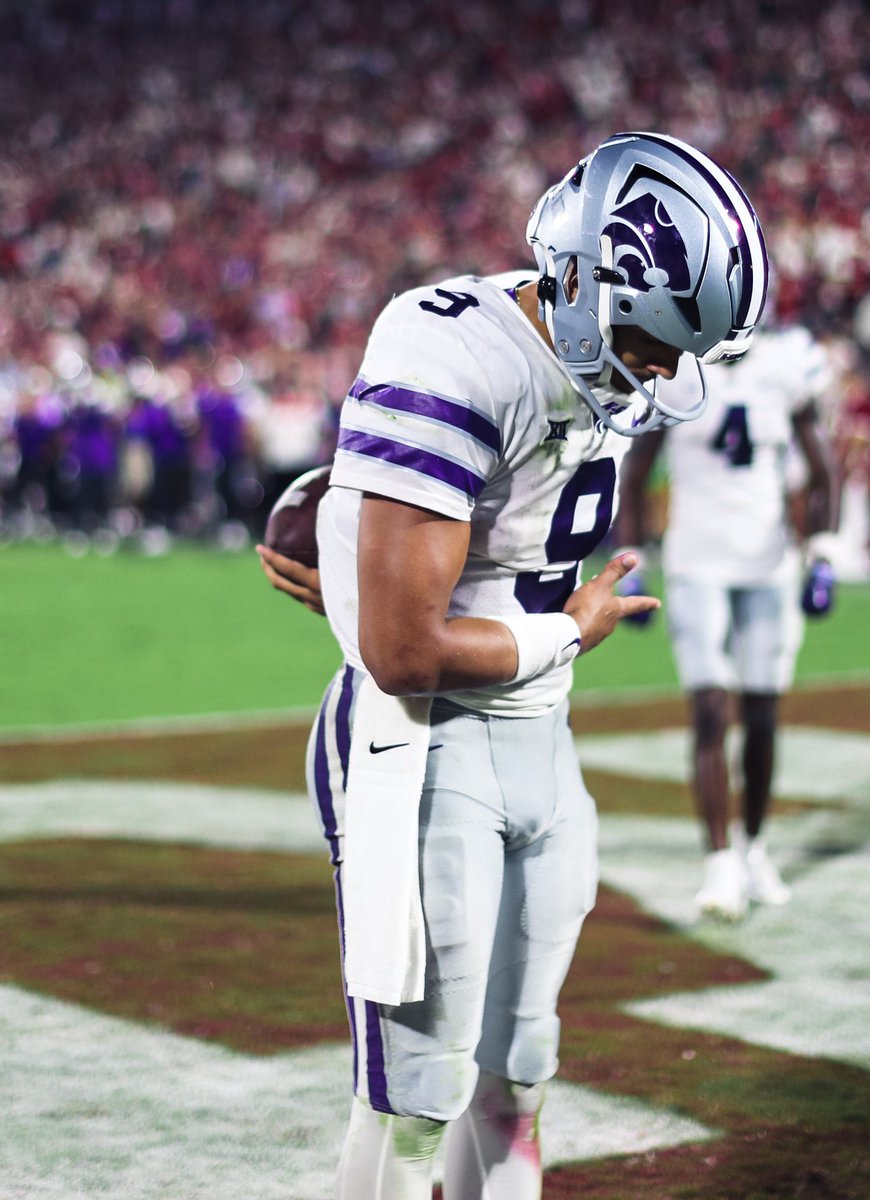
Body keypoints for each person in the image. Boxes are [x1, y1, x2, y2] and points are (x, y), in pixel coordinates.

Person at [257, 132, 768, 1198]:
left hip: (543, 738)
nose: (663, 372)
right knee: (411, 1103)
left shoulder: (591, 350)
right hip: (423, 747)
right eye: (654, 339)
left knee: (519, 1080)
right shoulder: (455, 346)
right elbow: (403, 652)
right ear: (581, 276)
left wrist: (367, 539)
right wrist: (565, 630)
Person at [616, 315, 839, 922]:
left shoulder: (785, 368)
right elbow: (635, 474)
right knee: (710, 709)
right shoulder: (680, 371)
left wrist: (822, 554)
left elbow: (824, 473)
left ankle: (755, 847)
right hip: (696, 563)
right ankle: (719, 861)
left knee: (763, 714)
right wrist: (631, 562)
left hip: (768, 563)